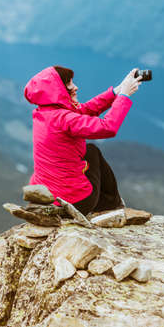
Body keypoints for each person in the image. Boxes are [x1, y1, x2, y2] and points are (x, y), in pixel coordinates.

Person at [24, 65, 142, 215]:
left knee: (89, 152)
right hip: (74, 202)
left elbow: (84, 110)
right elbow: (107, 127)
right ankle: (111, 205)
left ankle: (109, 204)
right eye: (69, 83)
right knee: (92, 151)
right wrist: (124, 96)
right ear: (57, 89)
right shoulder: (64, 118)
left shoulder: (43, 113)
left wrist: (116, 91)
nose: (75, 87)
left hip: (48, 198)